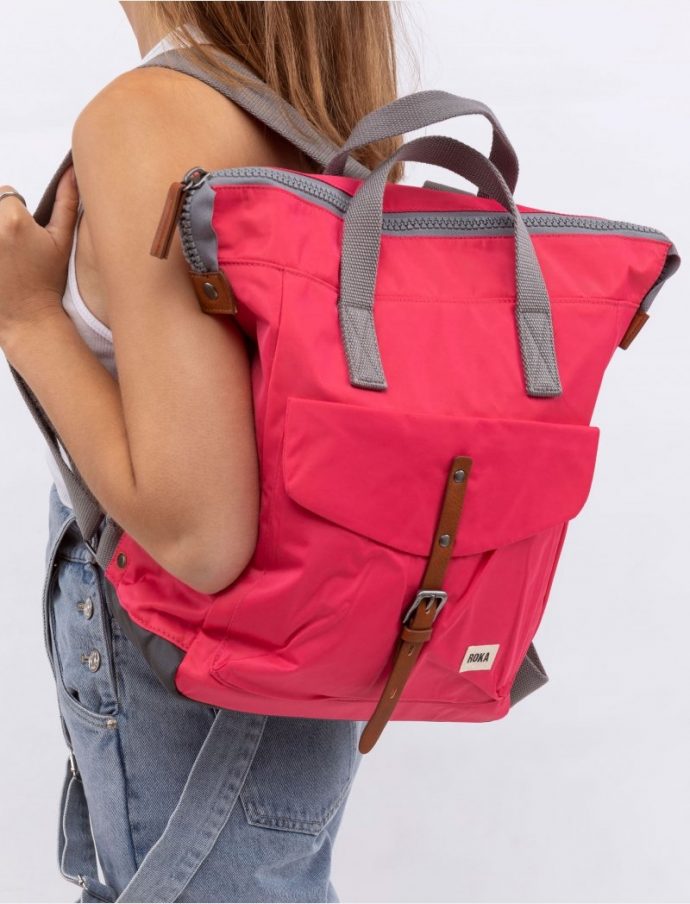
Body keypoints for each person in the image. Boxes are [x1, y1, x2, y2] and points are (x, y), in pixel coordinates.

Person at [0, 2, 407, 900]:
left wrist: (26, 316)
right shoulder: (311, 111)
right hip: (290, 668)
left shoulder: (153, 116)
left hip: (192, 664)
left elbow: (201, 538)